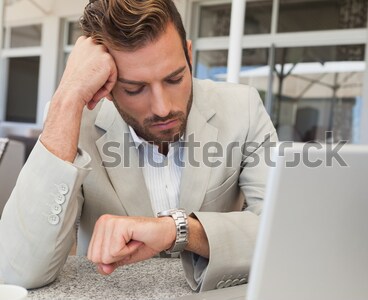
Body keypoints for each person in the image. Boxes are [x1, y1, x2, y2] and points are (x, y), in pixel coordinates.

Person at [0, 0, 277, 292]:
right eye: (135, 89)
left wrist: (179, 231)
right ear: (106, 85)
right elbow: (14, 271)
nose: (162, 108)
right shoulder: (76, 120)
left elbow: (285, 232)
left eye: (175, 78)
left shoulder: (242, 107)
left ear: (190, 56)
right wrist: (67, 97)